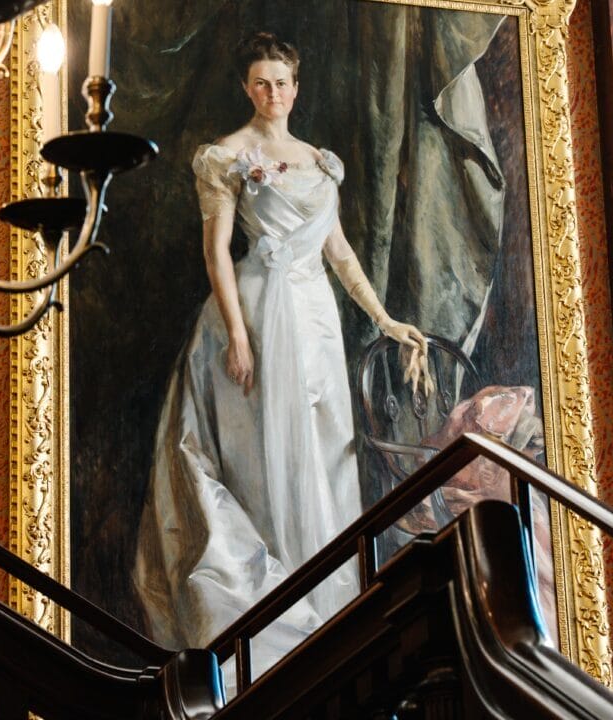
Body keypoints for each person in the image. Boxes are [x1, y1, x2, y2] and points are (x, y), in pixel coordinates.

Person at [132, 32, 429, 675]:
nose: (273, 94)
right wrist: (238, 335)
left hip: (317, 318)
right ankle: (272, 623)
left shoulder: (320, 163)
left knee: (324, 450)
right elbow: (216, 253)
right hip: (256, 311)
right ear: (247, 88)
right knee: (259, 458)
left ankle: (331, 610)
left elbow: (340, 253)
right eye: (261, 83)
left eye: (283, 83)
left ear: (297, 87)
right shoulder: (225, 156)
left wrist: (383, 318)